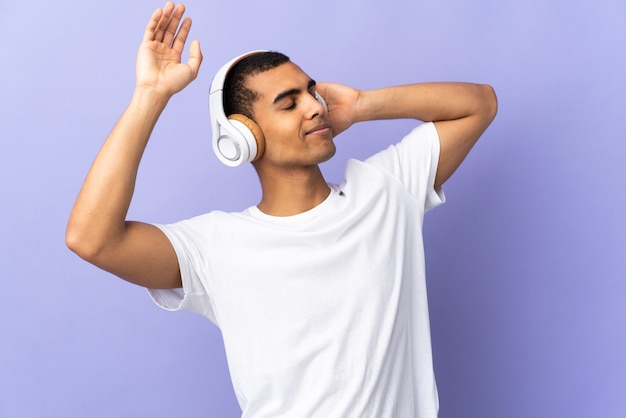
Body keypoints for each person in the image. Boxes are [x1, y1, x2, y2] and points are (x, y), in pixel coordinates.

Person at [66, 2, 497, 417]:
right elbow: (91, 238)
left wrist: (363, 105)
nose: (314, 106)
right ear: (243, 137)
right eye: (289, 104)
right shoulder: (216, 245)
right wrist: (150, 94)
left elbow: (479, 105)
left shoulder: (386, 190)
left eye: (312, 92)